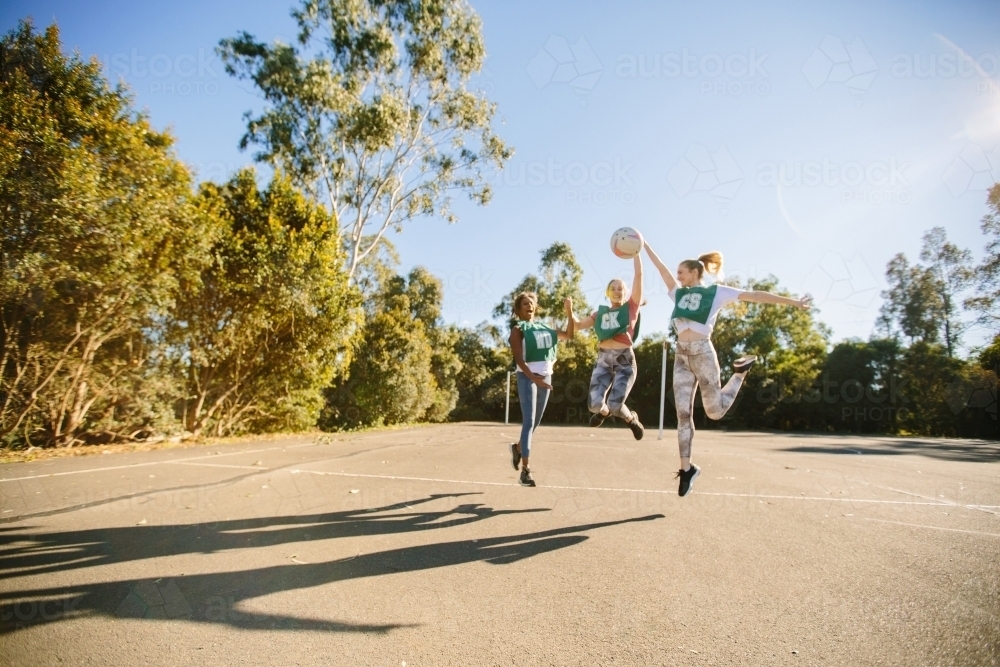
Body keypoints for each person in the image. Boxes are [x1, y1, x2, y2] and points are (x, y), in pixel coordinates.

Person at [643, 242, 812, 497]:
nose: (677, 276)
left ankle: (740, 373)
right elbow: (661, 269)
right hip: (681, 357)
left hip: (702, 353)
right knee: (683, 415)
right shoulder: (677, 293)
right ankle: (686, 469)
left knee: (714, 412)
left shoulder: (717, 292)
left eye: (682, 272)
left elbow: (754, 295)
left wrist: (794, 303)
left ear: (695, 272)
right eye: (677, 273)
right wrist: (644, 244)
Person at [571, 254, 645, 440]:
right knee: (594, 405)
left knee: (615, 405)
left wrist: (636, 253)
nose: (617, 291)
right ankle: (603, 414)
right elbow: (578, 326)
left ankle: (631, 420)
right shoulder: (599, 314)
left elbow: (639, 276)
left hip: (624, 361)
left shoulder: (630, 308)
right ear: (607, 292)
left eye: (620, 288)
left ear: (626, 292)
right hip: (603, 360)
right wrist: (569, 312)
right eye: (613, 288)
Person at [508, 293, 575, 487]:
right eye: (524, 303)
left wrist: (569, 313)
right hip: (527, 376)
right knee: (528, 421)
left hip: (545, 377)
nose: (529, 305)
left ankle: (518, 448)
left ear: (535, 307)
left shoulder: (546, 327)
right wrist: (533, 378)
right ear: (519, 309)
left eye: (531, 303)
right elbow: (519, 360)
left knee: (535, 424)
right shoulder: (518, 329)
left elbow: (569, 335)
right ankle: (525, 472)